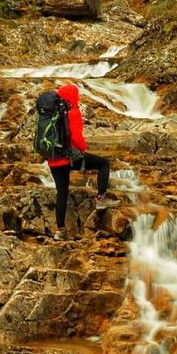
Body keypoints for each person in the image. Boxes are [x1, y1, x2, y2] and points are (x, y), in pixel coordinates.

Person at [46, 83, 118, 238]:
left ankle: (60, 230)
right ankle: (101, 198)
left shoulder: (52, 112)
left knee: (62, 193)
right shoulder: (73, 112)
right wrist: (83, 149)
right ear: (73, 97)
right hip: (70, 157)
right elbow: (76, 138)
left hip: (53, 157)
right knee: (104, 164)